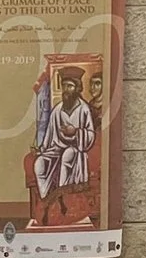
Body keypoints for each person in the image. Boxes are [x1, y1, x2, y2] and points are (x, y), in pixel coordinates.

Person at [27, 63, 99, 228]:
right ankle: (48, 200)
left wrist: (75, 132)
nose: (67, 90)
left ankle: (63, 198)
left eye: (70, 86)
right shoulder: (58, 110)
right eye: (65, 86)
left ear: (78, 88)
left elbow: (89, 135)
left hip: (75, 149)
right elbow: (50, 136)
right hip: (56, 149)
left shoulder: (83, 110)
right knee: (40, 163)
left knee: (68, 154)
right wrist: (42, 149)